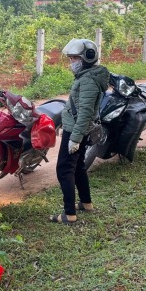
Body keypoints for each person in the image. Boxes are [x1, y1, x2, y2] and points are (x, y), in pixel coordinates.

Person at [50, 38, 109, 224]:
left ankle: (69, 214)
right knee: (78, 167)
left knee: (64, 169)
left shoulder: (89, 81)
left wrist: (74, 138)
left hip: (77, 130)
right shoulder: (87, 77)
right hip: (77, 128)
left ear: (86, 58)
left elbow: (84, 112)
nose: (71, 63)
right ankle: (86, 203)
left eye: (74, 58)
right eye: (70, 59)